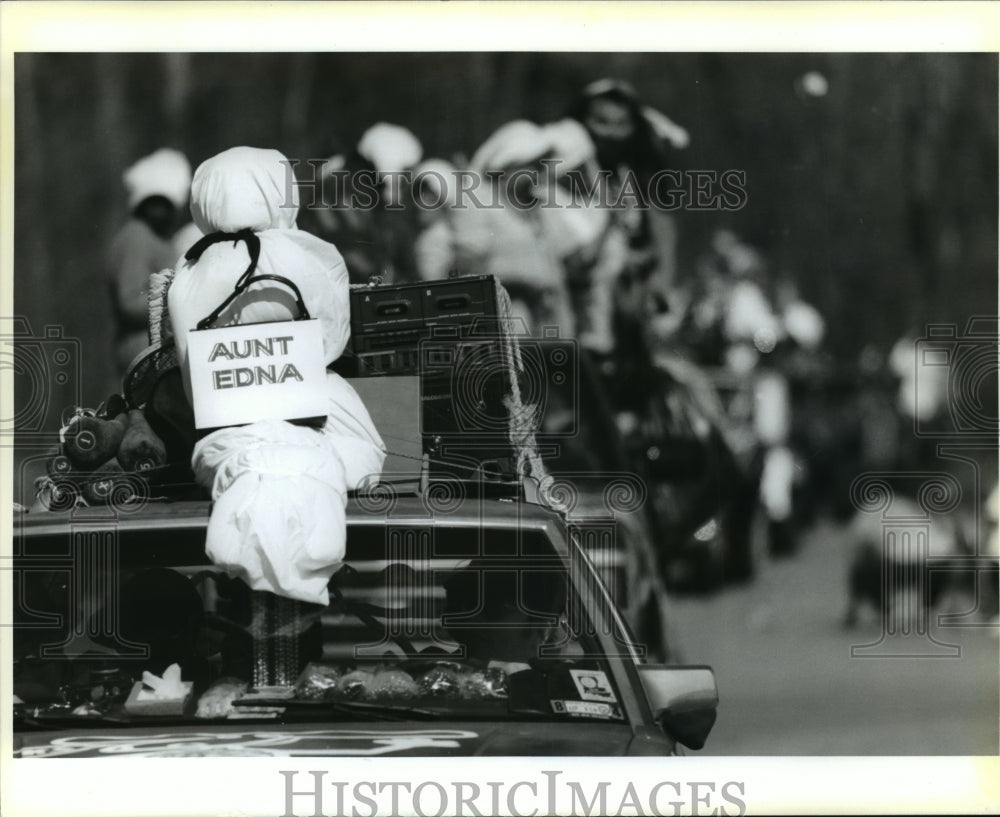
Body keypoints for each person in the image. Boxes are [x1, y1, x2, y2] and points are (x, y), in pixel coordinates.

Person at [109, 148, 192, 375]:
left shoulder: (156, 238)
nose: (162, 212)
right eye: (155, 204)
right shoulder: (137, 237)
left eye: (165, 205)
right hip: (144, 351)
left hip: (157, 348)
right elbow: (131, 299)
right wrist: (179, 304)